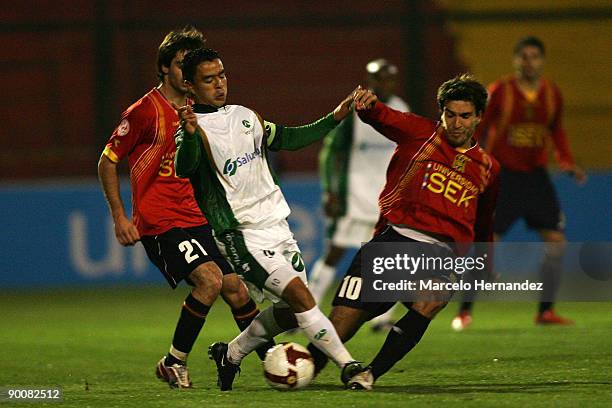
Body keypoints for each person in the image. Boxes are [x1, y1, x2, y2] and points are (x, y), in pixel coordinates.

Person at [174, 48, 365, 391]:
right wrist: (187, 135)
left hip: (277, 226)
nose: (219, 85)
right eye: (208, 80)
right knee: (302, 298)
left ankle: (230, 354)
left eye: (221, 76)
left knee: (292, 312)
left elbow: (290, 138)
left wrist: (334, 116)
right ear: (189, 86)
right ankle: (348, 366)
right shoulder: (193, 129)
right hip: (240, 234)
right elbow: (184, 167)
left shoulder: (245, 115)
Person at [97, 26, 271, 389]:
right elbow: (108, 161)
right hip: (162, 223)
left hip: (200, 219)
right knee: (209, 280)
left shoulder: (200, 109)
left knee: (236, 288)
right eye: (179, 64)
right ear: (164, 68)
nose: (185, 71)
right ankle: (173, 362)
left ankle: (273, 360)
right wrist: (119, 216)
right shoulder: (145, 111)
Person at [306, 74, 500, 390]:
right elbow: (382, 116)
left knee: (430, 300)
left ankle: (369, 374)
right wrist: (368, 105)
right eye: (449, 114)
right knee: (343, 321)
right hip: (395, 240)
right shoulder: (420, 133)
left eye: (465, 116)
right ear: (441, 114)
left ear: (479, 116)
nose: (456, 123)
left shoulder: (489, 167)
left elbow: (484, 222)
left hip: (441, 253)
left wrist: (486, 261)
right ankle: (303, 369)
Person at [451, 36, 587, 331]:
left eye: (534, 56)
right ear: (515, 60)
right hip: (506, 177)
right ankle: (464, 311)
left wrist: (566, 160)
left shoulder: (551, 93)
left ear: (542, 60)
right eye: (523, 56)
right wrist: (471, 160)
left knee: (556, 242)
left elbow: (556, 131)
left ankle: (546, 311)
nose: (529, 62)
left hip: (537, 177)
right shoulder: (500, 91)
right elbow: (481, 127)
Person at [308, 59, 410, 332]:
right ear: (369, 79)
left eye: (388, 78)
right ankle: (306, 311)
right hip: (355, 196)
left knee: (388, 257)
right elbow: (331, 150)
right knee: (335, 252)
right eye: (378, 78)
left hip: (387, 197)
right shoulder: (356, 109)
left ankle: (381, 318)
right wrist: (331, 189)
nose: (383, 83)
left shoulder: (401, 108)